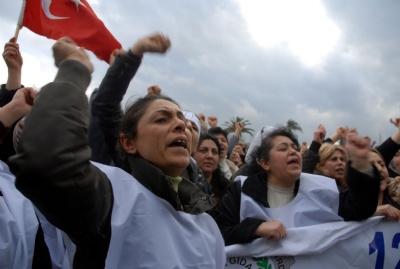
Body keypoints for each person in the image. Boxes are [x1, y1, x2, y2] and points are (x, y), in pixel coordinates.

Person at [9, 37, 225, 268]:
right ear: (129, 143)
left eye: (183, 120)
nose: (181, 125)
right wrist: (75, 66)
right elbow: (46, 158)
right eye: (162, 119)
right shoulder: (109, 198)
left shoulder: (207, 224)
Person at [215, 127, 380, 246]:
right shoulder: (241, 190)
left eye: (295, 148)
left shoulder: (322, 188)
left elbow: (361, 209)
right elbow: (219, 234)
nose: (293, 152)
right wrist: (255, 228)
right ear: (265, 163)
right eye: (283, 149)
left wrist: (360, 164)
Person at [193, 133, 231, 216]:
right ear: (193, 154)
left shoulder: (228, 190)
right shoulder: (184, 185)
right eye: (203, 150)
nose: (210, 156)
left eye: (214, 152)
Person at [369, 149, 400, 221]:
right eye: (371, 166)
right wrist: (372, 212)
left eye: (382, 164)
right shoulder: (344, 204)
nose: (379, 168)